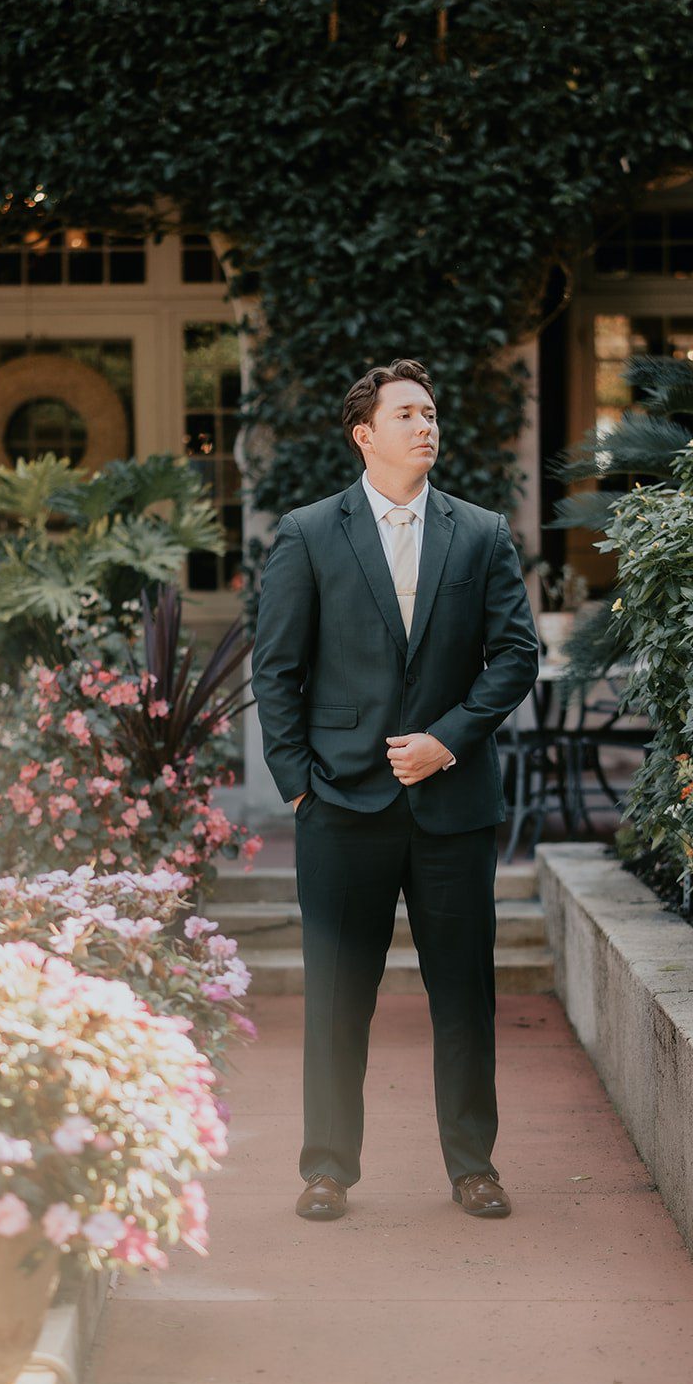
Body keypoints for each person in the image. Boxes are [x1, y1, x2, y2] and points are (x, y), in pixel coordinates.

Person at [250, 358, 538, 1222]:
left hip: (451, 810)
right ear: (364, 434)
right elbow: (277, 669)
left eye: (431, 411)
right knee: (338, 997)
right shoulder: (307, 532)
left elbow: (516, 655)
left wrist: (446, 741)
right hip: (340, 806)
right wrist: (299, 786)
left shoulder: (481, 532)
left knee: (463, 997)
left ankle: (472, 1167)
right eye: (407, 413)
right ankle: (327, 1168)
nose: (426, 425)